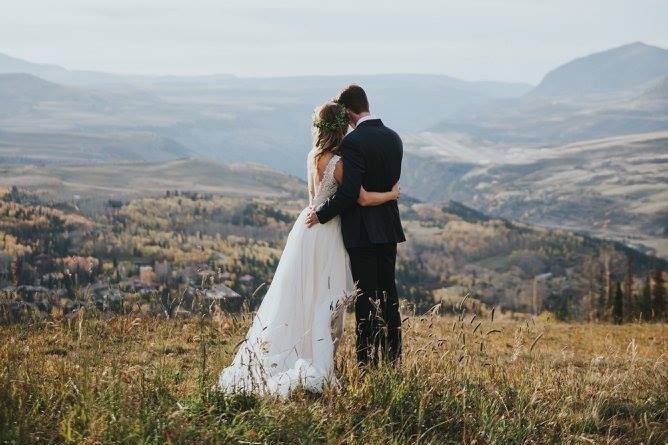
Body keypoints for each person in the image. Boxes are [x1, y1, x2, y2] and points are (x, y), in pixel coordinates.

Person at [218, 100, 399, 396]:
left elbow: (316, 197)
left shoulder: (313, 156)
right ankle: (318, 361)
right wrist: (391, 193)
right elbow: (358, 197)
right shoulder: (339, 163)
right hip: (326, 231)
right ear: (341, 127)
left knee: (302, 295)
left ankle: (298, 351)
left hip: (306, 228)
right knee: (326, 298)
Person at [306, 84, 405, 366]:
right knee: (389, 295)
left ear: (348, 113)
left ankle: (367, 362)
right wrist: (389, 196)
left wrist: (322, 215)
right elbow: (390, 183)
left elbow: (351, 194)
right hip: (388, 229)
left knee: (366, 298)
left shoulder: (353, 143)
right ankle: (393, 358)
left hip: (361, 233)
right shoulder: (394, 137)